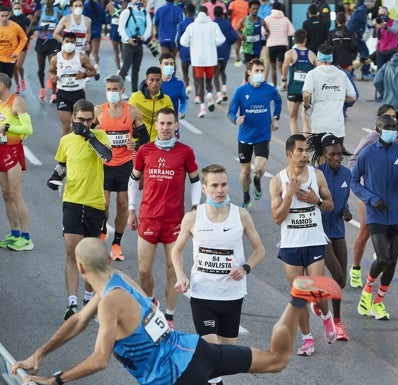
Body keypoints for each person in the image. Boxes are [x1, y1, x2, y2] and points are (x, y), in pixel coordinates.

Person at [11, 237, 342, 385]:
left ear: (80, 268)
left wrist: (55, 380)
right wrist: (40, 353)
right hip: (194, 349)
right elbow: (80, 321)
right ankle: (297, 298)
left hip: (175, 377)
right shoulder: (118, 280)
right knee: (277, 360)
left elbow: (99, 360)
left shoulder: (110, 300)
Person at [172, 164, 265, 385]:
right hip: (203, 295)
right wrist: (180, 275)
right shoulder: (193, 218)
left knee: (224, 355)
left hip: (232, 296)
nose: (220, 190)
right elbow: (176, 250)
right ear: (204, 188)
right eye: (214, 185)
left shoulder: (240, 215)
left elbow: (260, 251)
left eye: (223, 184)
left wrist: (245, 268)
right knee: (212, 354)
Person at [127, 107, 200, 329]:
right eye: (162, 123)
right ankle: (150, 304)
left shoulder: (185, 152)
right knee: (143, 270)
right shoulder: (145, 151)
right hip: (148, 218)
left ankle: (168, 317)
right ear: (156, 126)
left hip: (174, 222)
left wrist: (195, 208)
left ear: (176, 125)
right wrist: (131, 208)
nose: (166, 128)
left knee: (172, 271)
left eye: (170, 123)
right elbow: (133, 180)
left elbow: (196, 181)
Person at [269, 134, 337, 356]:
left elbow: (330, 206)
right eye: (300, 150)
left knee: (316, 291)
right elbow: (277, 218)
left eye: (306, 150)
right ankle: (307, 339)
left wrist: (314, 201)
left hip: (315, 241)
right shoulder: (277, 181)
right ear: (289, 153)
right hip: (291, 245)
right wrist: (289, 195)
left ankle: (326, 317)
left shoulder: (316, 176)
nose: (305, 154)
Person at [46, 98, 112, 319]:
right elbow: (62, 164)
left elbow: (107, 156)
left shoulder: (100, 136)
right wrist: (55, 177)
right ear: (73, 118)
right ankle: (72, 304)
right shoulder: (66, 140)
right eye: (81, 120)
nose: (85, 124)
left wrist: (90, 136)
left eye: (89, 120)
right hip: (72, 202)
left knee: (90, 257)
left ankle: (88, 296)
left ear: (93, 120)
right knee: (72, 254)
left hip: (94, 204)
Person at [351, 115, 398, 320]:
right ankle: (368, 289)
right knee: (383, 258)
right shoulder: (367, 154)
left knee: (393, 261)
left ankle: (378, 302)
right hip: (376, 214)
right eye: (387, 127)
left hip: (397, 215)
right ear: (377, 130)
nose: (391, 130)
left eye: (394, 127)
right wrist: (370, 198)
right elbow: (354, 181)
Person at [94, 74, 146, 261]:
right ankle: (102, 229)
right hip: (105, 164)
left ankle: (116, 244)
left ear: (122, 90)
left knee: (123, 205)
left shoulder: (132, 112)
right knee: (104, 205)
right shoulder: (99, 111)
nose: (112, 93)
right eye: (109, 89)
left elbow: (144, 138)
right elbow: (88, 136)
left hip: (125, 165)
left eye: (115, 89)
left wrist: (136, 144)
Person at [308, 132, 353, 341]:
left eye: (339, 154)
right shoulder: (316, 175)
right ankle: (336, 322)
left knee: (341, 280)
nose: (337, 158)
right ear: (324, 155)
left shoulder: (347, 174)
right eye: (332, 155)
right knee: (337, 274)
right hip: (320, 232)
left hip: (338, 231)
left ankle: (320, 301)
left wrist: (346, 211)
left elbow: (343, 201)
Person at [348, 104, 398, 288]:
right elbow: (354, 161)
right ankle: (355, 268)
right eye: (388, 117)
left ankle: (378, 266)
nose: (392, 120)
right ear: (378, 121)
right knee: (365, 231)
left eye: (394, 117)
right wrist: (365, 183)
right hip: (368, 193)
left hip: (388, 194)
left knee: (386, 233)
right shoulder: (370, 139)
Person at [228, 58, 281, 209]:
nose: (260, 74)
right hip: (245, 137)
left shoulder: (269, 89)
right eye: (256, 71)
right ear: (249, 72)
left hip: (263, 135)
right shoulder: (241, 91)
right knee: (245, 171)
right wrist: (235, 119)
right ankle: (246, 196)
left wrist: (276, 118)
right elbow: (230, 112)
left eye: (262, 71)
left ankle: (257, 180)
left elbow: (278, 101)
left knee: (259, 167)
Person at [0, 73, 33, 251]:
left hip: (12, 150)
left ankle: (26, 237)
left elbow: (28, 128)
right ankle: (14, 233)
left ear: (1, 86)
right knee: (6, 195)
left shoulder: (16, 102)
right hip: (0, 149)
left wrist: (9, 128)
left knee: (15, 194)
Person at [302, 43, 357, 139]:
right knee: (336, 153)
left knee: (319, 153)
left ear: (318, 57)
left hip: (318, 125)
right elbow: (353, 97)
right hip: (337, 126)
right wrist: (337, 97)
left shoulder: (312, 74)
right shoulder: (342, 74)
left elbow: (306, 94)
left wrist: (306, 106)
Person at [48, 32, 97, 136]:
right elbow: (51, 71)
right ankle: (64, 150)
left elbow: (93, 71)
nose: (69, 44)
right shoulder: (56, 58)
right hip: (62, 94)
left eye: (72, 42)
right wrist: (53, 77)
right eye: (67, 41)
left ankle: (77, 148)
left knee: (77, 126)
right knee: (66, 126)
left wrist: (84, 75)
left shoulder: (82, 57)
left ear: (75, 43)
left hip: (78, 93)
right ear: (63, 42)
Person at [180, 5, 225, 117]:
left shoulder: (192, 26)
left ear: (197, 14)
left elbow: (183, 41)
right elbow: (221, 39)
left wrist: (192, 45)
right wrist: (213, 44)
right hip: (211, 59)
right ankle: (209, 94)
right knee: (209, 81)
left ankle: (202, 108)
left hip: (197, 60)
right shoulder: (214, 25)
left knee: (199, 83)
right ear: (208, 14)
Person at [281, 29, 316, 134]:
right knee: (305, 119)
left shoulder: (290, 53)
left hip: (294, 89)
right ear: (305, 40)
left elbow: (285, 65)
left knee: (293, 117)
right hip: (307, 91)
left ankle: (296, 145)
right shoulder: (312, 54)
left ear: (294, 40)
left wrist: (284, 80)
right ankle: (308, 145)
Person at [128, 66, 174, 142]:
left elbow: (171, 121)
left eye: (158, 80)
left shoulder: (167, 99)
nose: (155, 83)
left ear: (161, 81)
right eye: (151, 80)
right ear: (146, 81)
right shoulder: (136, 97)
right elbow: (126, 117)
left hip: (158, 143)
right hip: (139, 142)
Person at [30, 0, 63, 102]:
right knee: (41, 69)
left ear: (53, 1)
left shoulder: (58, 14)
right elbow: (31, 27)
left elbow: (62, 29)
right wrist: (40, 27)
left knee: (53, 68)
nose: (49, 1)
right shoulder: (39, 13)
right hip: (41, 42)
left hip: (53, 42)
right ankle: (42, 88)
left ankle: (54, 93)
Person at [117, 0, 152, 92]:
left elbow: (149, 28)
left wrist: (143, 38)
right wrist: (128, 39)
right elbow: (121, 28)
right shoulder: (126, 11)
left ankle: (134, 91)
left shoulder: (145, 13)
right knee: (125, 67)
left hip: (139, 44)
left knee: (136, 69)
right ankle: (118, 90)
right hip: (128, 44)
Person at [263, 2, 294, 86]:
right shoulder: (285, 19)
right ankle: (284, 81)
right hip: (282, 45)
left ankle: (275, 85)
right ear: (281, 8)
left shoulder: (268, 18)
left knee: (273, 67)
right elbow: (292, 32)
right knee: (281, 65)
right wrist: (283, 34)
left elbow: (263, 31)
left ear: (272, 8)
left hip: (271, 45)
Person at [212, 5, 238, 104]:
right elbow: (235, 36)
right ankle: (224, 87)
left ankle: (219, 94)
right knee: (223, 71)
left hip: (215, 51)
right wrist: (228, 43)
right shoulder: (227, 24)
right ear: (222, 13)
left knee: (215, 73)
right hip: (225, 50)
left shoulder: (212, 24)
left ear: (214, 14)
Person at [347, 0, 375, 80]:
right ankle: (366, 72)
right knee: (365, 52)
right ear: (368, 2)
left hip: (354, 35)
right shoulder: (362, 11)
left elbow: (360, 23)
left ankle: (350, 73)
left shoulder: (362, 10)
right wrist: (356, 34)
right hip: (356, 36)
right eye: (373, 2)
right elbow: (352, 24)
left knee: (354, 54)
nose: (374, 4)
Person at [372, 6, 398, 82]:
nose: (382, 16)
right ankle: (383, 93)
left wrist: (385, 26)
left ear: (388, 13)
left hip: (392, 51)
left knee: (391, 75)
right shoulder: (378, 23)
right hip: (381, 51)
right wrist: (375, 26)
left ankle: (390, 92)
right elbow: (374, 36)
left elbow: (394, 30)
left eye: (384, 14)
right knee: (380, 76)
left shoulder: (394, 22)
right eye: (380, 14)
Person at [0, 5, 27, 78]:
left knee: (7, 79)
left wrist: (17, 51)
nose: (4, 18)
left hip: (10, 57)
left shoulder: (15, 26)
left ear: (9, 15)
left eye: (6, 16)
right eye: (2, 16)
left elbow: (24, 38)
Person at [10, 2, 31, 93]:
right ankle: (17, 85)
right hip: (12, 46)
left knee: (19, 66)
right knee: (13, 68)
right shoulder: (10, 19)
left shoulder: (25, 19)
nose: (17, 10)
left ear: (21, 9)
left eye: (18, 8)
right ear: (12, 9)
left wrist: (28, 37)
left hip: (23, 45)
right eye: (15, 8)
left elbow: (30, 28)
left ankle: (22, 80)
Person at [159, 53, 187, 121]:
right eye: (166, 64)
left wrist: (182, 111)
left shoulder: (179, 84)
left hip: (172, 123)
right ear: (160, 66)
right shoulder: (154, 83)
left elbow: (183, 101)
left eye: (171, 64)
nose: (169, 66)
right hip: (156, 122)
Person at [82, 0, 105, 79]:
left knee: (87, 52)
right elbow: (104, 20)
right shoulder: (100, 6)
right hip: (97, 31)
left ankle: (86, 72)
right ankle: (97, 69)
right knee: (95, 52)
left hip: (88, 31)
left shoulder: (86, 5)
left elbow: (83, 18)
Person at [237, 0, 264, 68]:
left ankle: (250, 78)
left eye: (257, 9)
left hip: (257, 48)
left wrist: (266, 35)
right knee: (249, 68)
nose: (255, 10)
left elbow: (268, 31)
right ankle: (247, 78)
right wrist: (241, 36)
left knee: (255, 67)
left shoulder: (261, 20)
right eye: (253, 9)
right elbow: (237, 29)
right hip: (247, 48)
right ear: (249, 9)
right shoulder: (244, 20)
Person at [176, 2, 195, 94]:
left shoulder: (181, 24)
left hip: (184, 50)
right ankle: (198, 92)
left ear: (185, 11)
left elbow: (178, 39)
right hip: (196, 50)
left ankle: (187, 86)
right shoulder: (196, 23)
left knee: (185, 71)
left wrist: (178, 49)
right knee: (196, 72)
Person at [105, 0, 124, 71]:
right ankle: (120, 69)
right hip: (120, 29)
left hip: (115, 29)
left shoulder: (109, 4)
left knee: (117, 52)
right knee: (121, 51)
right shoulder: (125, 4)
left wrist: (110, 19)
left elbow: (106, 18)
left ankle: (119, 69)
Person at [228, 0, 248, 66]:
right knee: (245, 43)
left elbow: (229, 13)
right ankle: (245, 57)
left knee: (237, 43)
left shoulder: (232, 4)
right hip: (245, 25)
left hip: (235, 26)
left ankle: (237, 58)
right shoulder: (246, 4)